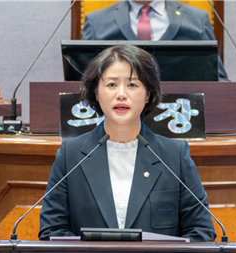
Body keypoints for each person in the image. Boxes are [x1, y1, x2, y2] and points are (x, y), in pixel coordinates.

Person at [39, 45, 215, 242]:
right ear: (96, 92)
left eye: (132, 85)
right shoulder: (71, 155)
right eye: (111, 84)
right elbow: (52, 231)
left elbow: (201, 231)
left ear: (148, 94)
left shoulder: (174, 155)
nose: (121, 94)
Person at [81, 0, 228, 81]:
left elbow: (218, 78)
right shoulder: (96, 22)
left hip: (182, 112)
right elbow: (81, 80)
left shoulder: (197, 19)